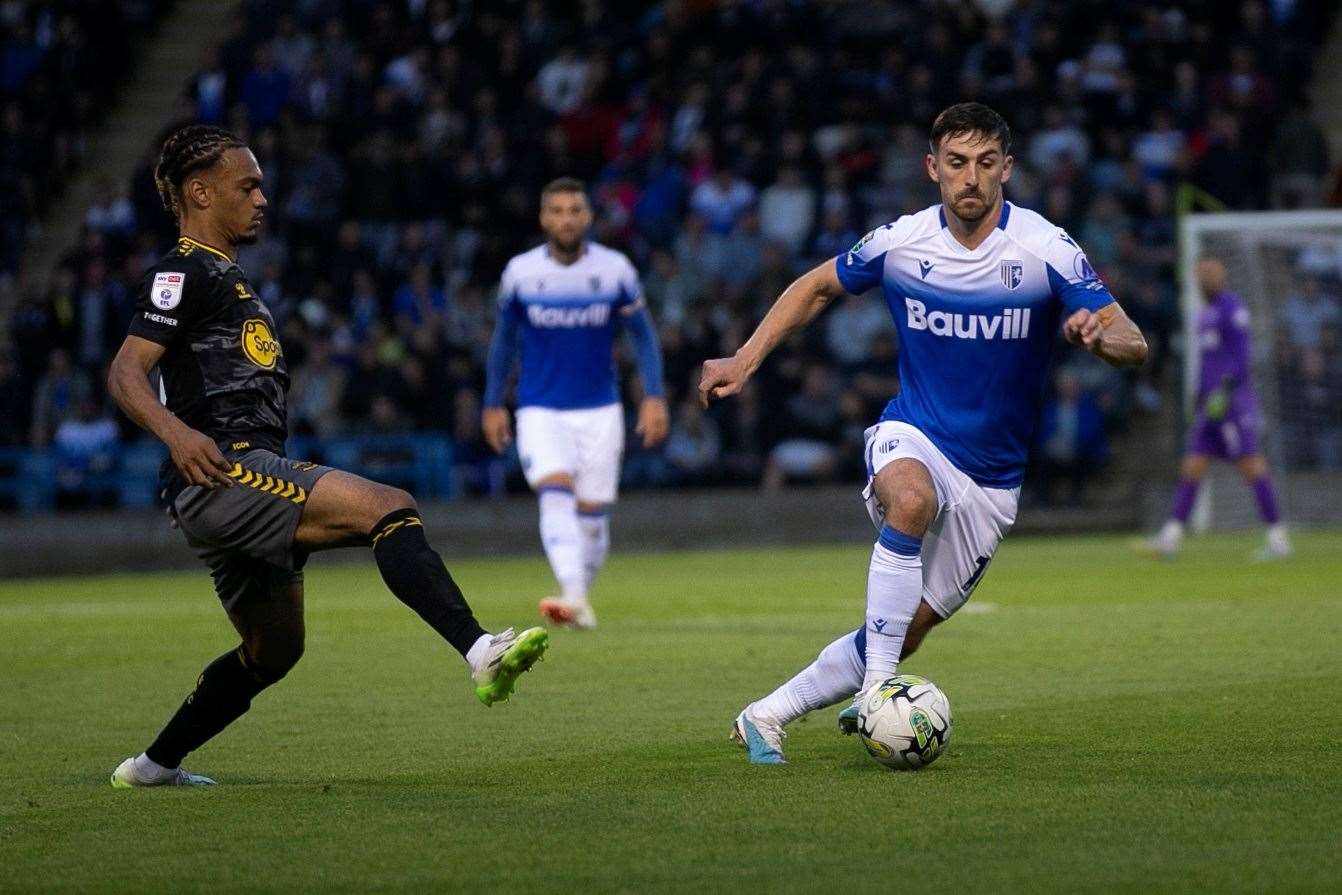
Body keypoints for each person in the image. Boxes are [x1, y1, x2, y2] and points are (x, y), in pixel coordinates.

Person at [699, 103, 1147, 764]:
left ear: (1007, 169)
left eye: (986, 163)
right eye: (958, 163)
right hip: (914, 434)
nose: (972, 178)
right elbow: (817, 286)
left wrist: (1098, 335)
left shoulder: (1045, 247)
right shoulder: (902, 242)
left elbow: (1132, 340)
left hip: (992, 482)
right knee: (910, 501)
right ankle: (880, 689)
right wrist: (745, 356)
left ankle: (768, 712)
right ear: (933, 168)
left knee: (901, 631)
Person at [105, 125, 547, 788]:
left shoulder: (228, 277)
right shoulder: (183, 270)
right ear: (199, 193)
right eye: (246, 185)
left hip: (243, 476)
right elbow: (124, 373)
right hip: (223, 469)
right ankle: (479, 648)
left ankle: (152, 765)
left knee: (275, 649)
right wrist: (176, 433)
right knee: (388, 507)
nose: (262, 197)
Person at [483, 178, 668, 630]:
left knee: (591, 513)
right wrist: (492, 402)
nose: (566, 219)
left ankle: (578, 599)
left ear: (587, 217)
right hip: (539, 406)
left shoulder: (615, 270)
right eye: (557, 211)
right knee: (555, 487)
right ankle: (573, 594)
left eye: (574, 211)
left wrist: (654, 396)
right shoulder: (522, 273)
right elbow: (503, 341)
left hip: (600, 408)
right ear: (544, 218)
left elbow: (642, 336)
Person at [1141, 257, 1290, 560]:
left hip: (1232, 406)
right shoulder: (1203, 314)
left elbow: (1241, 355)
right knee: (1192, 467)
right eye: (1200, 276)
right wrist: (1199, 395)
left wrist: (1224, 390)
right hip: (1209, 408)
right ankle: (1169, 539)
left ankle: (1278, 539)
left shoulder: (1232, 309)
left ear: (1220, 279)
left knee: (1251, 466)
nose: (1203, 281)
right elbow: (1208, 362)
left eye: (1208, 276)